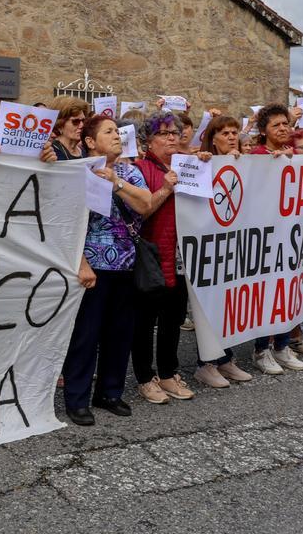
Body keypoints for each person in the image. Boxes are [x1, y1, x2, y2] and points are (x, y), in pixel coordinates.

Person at [61, 116, 155, 425]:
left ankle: (109, 392)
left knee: (119, 334)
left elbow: (146, 204)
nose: (117, 136)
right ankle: (77, 398)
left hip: (126, 265)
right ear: (90, 141)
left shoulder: (129, 172)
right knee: (86, 336)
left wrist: (117, 183)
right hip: (92, 267)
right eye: (108, 132)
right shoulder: (77, 171)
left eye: (117, 131)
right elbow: (66, 222)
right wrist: (80, 263)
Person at [131, 111, 199, 403]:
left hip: (181, 255)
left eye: (175, 132)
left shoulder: (189, 166)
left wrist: (206, 163)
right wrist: (165, 189)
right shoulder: (140, 169)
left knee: (173, 318)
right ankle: (145, 378)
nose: (171, 138)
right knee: (145, 322)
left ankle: (169, 374)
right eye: (163, 133)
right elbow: (141, 211)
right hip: (152, 254)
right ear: (148, 140)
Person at [189, 115, 255, 385]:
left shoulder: (243, 163)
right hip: (208, 246)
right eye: (225, 133)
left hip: (234, 246)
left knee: (229, 304)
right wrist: (202, 162)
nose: (231, 137)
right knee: (209, 305)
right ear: (213, 139)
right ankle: (206, 364)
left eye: (234, 132)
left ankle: (226, 359)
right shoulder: (202, 162)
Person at [244, 104, 303, 372]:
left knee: (288, 290)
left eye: (285, 124)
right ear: (263, 131)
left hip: (291, 235)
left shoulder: (297, 156)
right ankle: (261, 350)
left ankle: (282, 346)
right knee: (267, 294)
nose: (282, 128)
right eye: (276, 125)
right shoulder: (257, 156)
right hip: (265, 237)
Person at [46, 96, 90, 160]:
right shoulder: (50, 153)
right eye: (75, 121)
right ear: (60, 124)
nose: (82, 125)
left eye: (83, 120)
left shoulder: (84, 152)